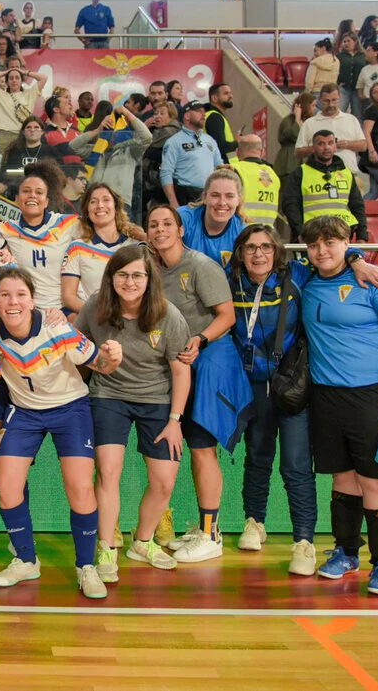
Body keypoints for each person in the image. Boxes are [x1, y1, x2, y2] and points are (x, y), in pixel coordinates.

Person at [0, 267, 122, 599]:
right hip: (24, 411)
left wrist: (112, 358)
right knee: (6, 488)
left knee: (79, 489)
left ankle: (86, 567)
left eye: (20, 294)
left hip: (70, 409)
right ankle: (26, 559)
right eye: (5, 295)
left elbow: (99, 365)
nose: (13, 302)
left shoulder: (56, 328)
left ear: (33, 299)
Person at [302, 216, 378, 597]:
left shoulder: (376, 280)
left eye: (331, 243)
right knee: (343, 480)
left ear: (346, 241)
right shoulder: (307, 280)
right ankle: (347, 552)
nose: (322, 251)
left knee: (375, 482)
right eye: (315, 245)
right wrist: (354, 257)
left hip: (371, 394)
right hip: (325, 396)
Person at [77, 244, 190, 578]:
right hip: (108, 395)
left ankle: (142, 541)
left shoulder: (168, 314)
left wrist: (174, 421)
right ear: (111, 278)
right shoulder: (95, 308)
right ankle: (107, 549)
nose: (130, 282)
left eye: (137, 275)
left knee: (164, 481)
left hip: (157, 400)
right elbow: (76, 351)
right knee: (108, 472)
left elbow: (180, 371)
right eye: (122, 275)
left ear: (148, 278)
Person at [145, 204, 249, 563]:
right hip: (176, 368)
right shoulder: (152, 270)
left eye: (166, 224)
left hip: (208, 364)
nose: (160, 230)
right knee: (188, 448)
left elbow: (228, 316)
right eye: (153, 225)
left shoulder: (202, 266)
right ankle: (203, 527)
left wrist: (199, 341)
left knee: (204, 449)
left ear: (180, 229)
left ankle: (211, 534)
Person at [228, 225, 317, 576]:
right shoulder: (229, 280)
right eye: (251, 247)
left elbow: (335, 263)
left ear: (277, 250)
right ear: (240, 252)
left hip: (291, 386)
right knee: (258, 456)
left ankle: (304, 542)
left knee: (295, 464)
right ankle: (254, 522)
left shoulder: (298, 276)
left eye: (266, 247)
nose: (259, 254)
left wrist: (355, 258)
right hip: (253, 385)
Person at [0, 160, 81, 311]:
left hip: (62, 309)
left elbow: (104, 226)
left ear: (47, 201)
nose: (32, 196)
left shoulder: (68, 224)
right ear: (16, 199)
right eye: (26, 191)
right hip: (26, 310)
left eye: (39, 192)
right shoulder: (6, 229)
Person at [61, 183, 144, 317]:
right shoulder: (77, 247)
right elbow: (68, 297)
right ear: (87, 211)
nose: (100, 205)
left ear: (116, 207)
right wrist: (99, 316)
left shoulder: (135, 246)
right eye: (93, 201)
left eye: (106, 200)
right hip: (95, 321)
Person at [283, 129, 368, 242]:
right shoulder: (300, 173)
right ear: (313, 147)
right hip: (312, 235)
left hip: (342, 234)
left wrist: (362, 236)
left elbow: (357, 206)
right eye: (321, 144)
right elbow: (290, 206)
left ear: (335, 146)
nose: (326, 147)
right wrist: (299, 232)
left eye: (330, 143)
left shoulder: (346, 173)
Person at [67, 104, 153, 214]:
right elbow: (72, 148)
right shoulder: (96, 149)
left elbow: (147, 137)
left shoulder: (130, 150)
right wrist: (97, 131)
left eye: (116, 130)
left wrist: (126, 113)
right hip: (94, 202)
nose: (112, 133)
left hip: (120, 204)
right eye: (108, 130)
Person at [295, 84, 368, 179]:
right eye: (327, 101)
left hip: (349, 176)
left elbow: (363, 146)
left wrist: (347, 144)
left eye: (334, 100)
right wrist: (318, 148)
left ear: (339, 98)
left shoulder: (351, 119)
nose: (331, 104)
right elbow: (298, 152)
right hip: (318, 177)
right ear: (320, 100)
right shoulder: (309, 123)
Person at [179, 168, 248, 268]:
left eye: (229, 196)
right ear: (204, 197)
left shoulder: (243, 233)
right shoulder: (183, 218)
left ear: (238, 200)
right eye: (215, 195)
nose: (222, 203)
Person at [160, 101, 222, 207]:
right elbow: (166, 173)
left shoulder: (210, 140)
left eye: (204, 112)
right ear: (187, 116)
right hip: (185, 197)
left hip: (209, 196)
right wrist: (173, 202)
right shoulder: (174, 142)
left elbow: (219, 168)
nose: (204, 115)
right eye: (199, 111)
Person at [0, 67, 50, 156]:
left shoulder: (29, 94)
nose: (14, 80)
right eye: (11, 78)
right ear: (7, 82)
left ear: (22, 81)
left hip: (22, 136)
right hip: (2, 135)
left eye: (17, 78)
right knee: (0, 166)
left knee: (19, 166)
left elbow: (44, 78)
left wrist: (25, 72)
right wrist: (6, 72)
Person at [228, 134, 281, 228]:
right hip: (268, 233)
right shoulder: (273, 174)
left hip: (243, 231)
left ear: (238, 152)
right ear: (262, 152)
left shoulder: (236, 170)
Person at [275, 93, 314, 178]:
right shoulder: (288, 121)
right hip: (288, 163)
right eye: (313, 105)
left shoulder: (309, 122)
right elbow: (293, 135)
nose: (314, 109)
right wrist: (297, 118)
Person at [202, 84, 239, 161]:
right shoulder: (214, 117)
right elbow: (220, 147)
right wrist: (237, 142)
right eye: (226, 93)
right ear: (214, 98)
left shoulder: (215, 116)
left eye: (230, 93)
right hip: (222, 169)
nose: (231, 96)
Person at [336, 34, 367, 116]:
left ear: (355, 42)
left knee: (358, 114)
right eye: (344, 41)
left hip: (358, 90)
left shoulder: (363, 56)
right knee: (339, 112)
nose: (346, 43)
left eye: (348, 41)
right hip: (343, 89)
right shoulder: (339, 57)